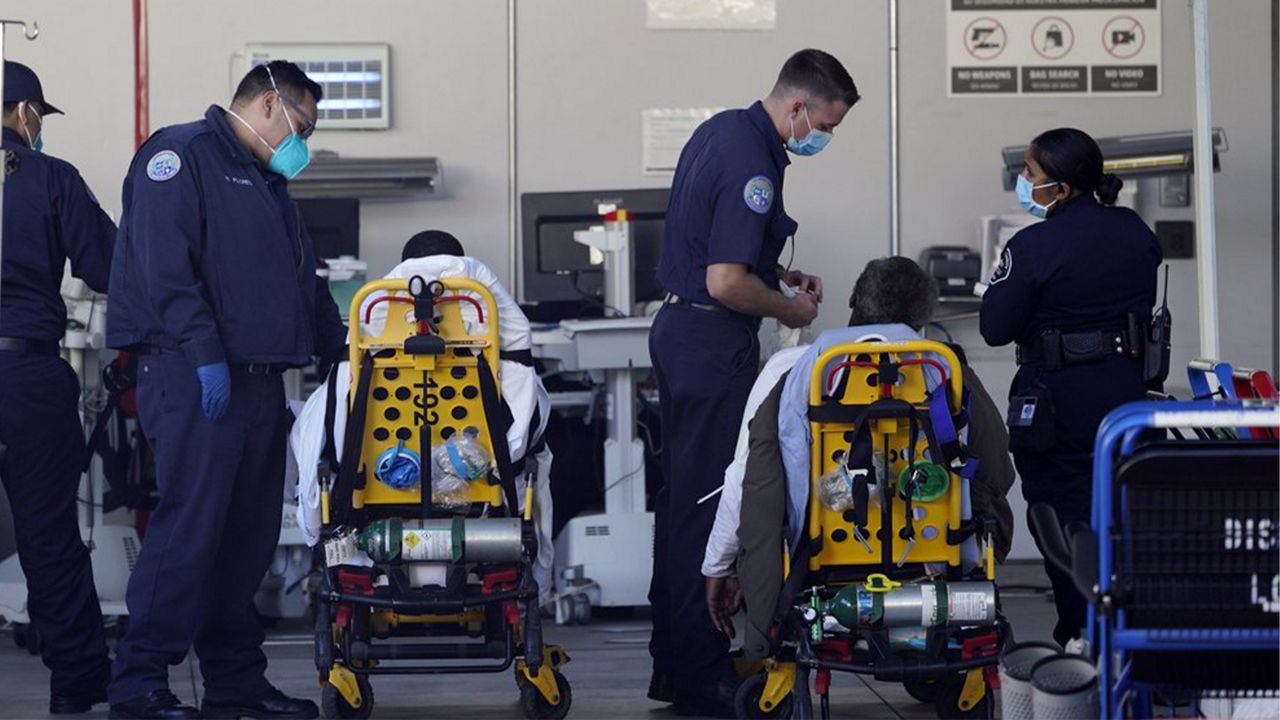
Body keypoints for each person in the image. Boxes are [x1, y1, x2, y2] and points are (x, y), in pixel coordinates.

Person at [105, 60, 346, 720]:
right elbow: (165, 269)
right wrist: (206, 356)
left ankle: (236, 682)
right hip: (195, 378)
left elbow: (306, 283)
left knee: (245, 542)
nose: (304, 142)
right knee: (190, 530)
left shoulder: (269, 186)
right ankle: (137, 682)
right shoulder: (179, 157)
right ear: (270, 104)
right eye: (303, 125)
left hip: (263, 383)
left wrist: (343, 353)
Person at [647, 48, 859, 717]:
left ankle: (677, 665)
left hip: (685, 334)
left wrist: (780, 278)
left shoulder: (722, 130)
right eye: (825, 124)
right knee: (711, 505)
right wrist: (787, 308)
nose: (823, 137)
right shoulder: (752, 163)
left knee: (682, 505)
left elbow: (725, 255)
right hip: (713, 342)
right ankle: (704, 672)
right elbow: (725, 281)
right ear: (797, 107)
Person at [705, 257, 1015, 656]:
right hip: (935, 551)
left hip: (820, 555)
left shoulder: (797, 370)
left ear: (853, 299)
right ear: (923, 317)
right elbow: (995, 468)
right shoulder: (947, 371)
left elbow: (747, 479)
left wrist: (719, 565)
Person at [980, 127, 1161, 647]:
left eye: (1031, 175)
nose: (1023, 183)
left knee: (1060, 523)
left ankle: (1079, 632)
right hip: (1126, 406)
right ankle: (1126, 632)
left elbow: (995, 326)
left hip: (1056, 411)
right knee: (1124, 520)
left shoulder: (1035, 244)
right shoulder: (1134, 231)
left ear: (1060, 190)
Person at [0, 60, 115, 716]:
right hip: (27, 375)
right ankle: (77, 687)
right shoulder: (50, 178)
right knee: (49, 535)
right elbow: (108, 266)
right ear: (24, 113)